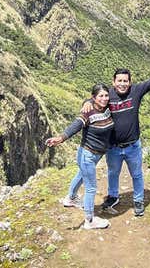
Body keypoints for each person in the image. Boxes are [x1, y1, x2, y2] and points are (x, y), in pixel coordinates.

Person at [83, 53, 150, 217]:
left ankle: (138, 200)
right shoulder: (108, 97)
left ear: (130, 82)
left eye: (125, 81)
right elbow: (95, 100)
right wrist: (86, 102)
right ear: (113, 82)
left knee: (137, 174)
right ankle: (113, 197)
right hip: (113, 147)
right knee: (113, 173)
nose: (122, 84)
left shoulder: (136, 91)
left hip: (133, 146)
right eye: (119, 81)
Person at [45, 83, 114, 230]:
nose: (104, 98)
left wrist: (88, 101)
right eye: (100, 96)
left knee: (81, 175)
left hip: (95, 155)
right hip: (87, 154)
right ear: (93, 98)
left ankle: (70, 199)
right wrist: (61, 138)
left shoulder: (107, 107)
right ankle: (89, 221)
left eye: (106, 95)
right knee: (91, 188)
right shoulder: (88, 112)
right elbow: (76, 125)